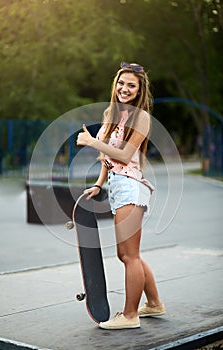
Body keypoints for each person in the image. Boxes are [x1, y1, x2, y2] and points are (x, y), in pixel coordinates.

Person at [77, 62, 166, 330]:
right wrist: (98, 184)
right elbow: (107, 158)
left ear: (139, 90)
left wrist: (93, 141)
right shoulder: (110, 113)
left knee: (130, 256)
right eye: (121, 83)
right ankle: (154, 303)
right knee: (127, 254)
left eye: (131, 85)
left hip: (130, 186)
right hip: (116, 185)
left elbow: (125, 155)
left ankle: (130, 315)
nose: (124, 89)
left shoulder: (141, 117)